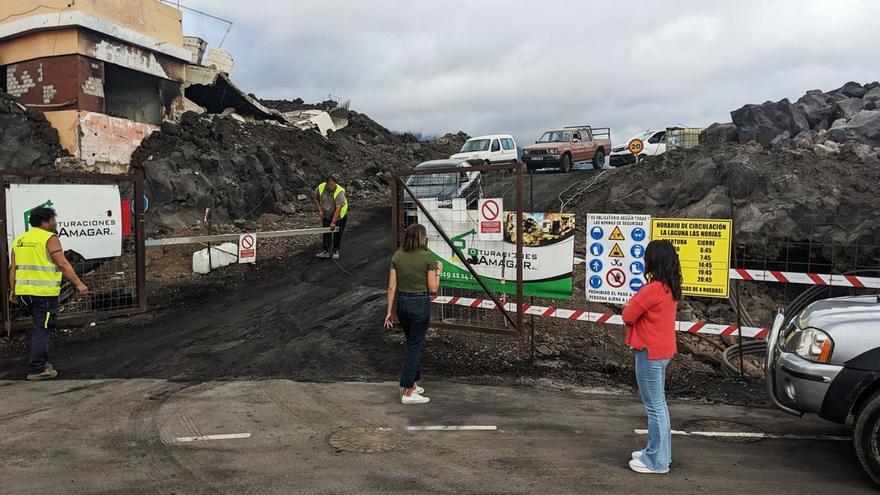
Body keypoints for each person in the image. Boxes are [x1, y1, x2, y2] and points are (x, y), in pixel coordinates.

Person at [621, 239, 681, 474]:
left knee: (654, 408)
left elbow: (628, 315)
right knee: (660, 405)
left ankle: (656, 461)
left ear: (652, 261)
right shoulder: (669, 287)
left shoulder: (653, 289)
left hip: (649, 352)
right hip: (662, 351)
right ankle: (657, 453)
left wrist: (631, 304)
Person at [8, 207, 88, 381]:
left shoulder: (20, 240)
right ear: (45, 222)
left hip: (24, 293)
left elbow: (13, 268)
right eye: (53, 219)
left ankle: (41, 363)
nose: (55, 223)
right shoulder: (49, 238)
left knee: (38, 326)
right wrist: (79, 283)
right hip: (43, 293)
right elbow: (62, 264)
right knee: (42, 328)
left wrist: (13, 290)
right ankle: (37, 368)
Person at [383, 223, 442, 405]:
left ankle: (413, 384)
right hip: (419, 303)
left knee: (411, 342)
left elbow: (392, 286)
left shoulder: (398, 256)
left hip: (402, 303)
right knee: (414, 347)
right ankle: (407, 391)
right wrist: (438, 271)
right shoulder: (428, 258)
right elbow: (433, 287)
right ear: (423, 238)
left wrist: (389, 312)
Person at [313, 174, 348, 259]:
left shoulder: (340, 191)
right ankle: (326, 251)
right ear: (326, 183)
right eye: (328, 184)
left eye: (332, 184)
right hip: (326, 214)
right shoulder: (321, 187)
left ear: (335, 183)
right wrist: (320, 211)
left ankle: (336, 250)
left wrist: (333, 222)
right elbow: (316, 199)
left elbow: (338, 208)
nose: (330, 186)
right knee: (326, 232)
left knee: (337, 232)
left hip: (339, 215)